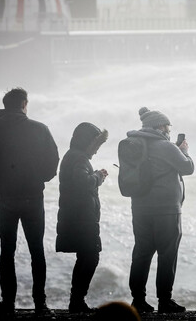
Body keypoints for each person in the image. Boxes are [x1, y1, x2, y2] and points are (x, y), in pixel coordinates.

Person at [0, 88, 59, 314]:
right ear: (24, 104)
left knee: (7, 251)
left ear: (6, 106)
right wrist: (39, 178)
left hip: (5, 198)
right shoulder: (39, 128)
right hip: (33, 196)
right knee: (37, 251)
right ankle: (40, 304)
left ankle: (8, 304)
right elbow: (52, 161)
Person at [126, 107, 194, 314]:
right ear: (160, 126)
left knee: (142, 253)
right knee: (167, 254)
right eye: (167, 126)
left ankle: (138, 300)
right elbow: (188, 168)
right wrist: (183, 151)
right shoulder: (165, 146)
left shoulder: (134, 143)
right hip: (166, 210)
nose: (169, 130)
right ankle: (165, 300)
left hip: (139, 208)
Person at [56, 122, 108, 313]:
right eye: (95, 146)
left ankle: (76, 301)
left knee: (86, 257)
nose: (95, 151)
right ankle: (77, 301)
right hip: (81, 219)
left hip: (76, 216)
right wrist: (98, 176)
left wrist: (95, 175)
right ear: (86, 142)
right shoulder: (79, 159)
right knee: (90, 257)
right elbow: (82, 183)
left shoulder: (74, 156)